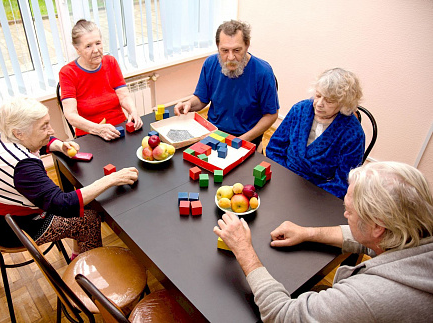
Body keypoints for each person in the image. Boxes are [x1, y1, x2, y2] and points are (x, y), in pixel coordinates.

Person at [214, 161, 433, 322]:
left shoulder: (370, 296)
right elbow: (373, 239)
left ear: (377, 226)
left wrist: (244, 249)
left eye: (349, 211)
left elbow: (282, 315)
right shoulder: (415, 231)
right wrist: (308, 232)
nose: (345, 216)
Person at [0, 97, 139, 258]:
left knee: (84, 206)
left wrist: (60, 145)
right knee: (89, 220)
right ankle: (91, 271)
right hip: (13, 230)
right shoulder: (23, 167)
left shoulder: (3, 138)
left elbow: (36, 143)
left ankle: (80, 252)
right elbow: (62, 204)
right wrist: (111, 179)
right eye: (44, 127)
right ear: (19, 133)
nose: (51, 130)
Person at [174, 20, 279, 147]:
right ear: (217, 46)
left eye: (236, 50)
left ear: (247, 45)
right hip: (213, 132)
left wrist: (242, 140)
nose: (230, 57)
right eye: (224, 51)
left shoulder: (263, 72)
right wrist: (189, 104)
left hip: (246, 136)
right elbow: (201, 99)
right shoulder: (210, 63)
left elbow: (271, 114)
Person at [266, 68, 365, 199]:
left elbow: (343, 183)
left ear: (344, 104)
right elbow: (274, 148)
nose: (318, 104)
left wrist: (310, 195)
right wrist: (285, 178)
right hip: (284, 178)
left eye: (329, 101)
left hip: (318, 194)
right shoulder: (300, 110)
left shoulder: (353, 134)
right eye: (318, 95)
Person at [59, 19, 143, 140]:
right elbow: (70, 115)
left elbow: (124, 96)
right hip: (90, 133)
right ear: (77, 49)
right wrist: (98, 129)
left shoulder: (110, 62)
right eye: (88, 46)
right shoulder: (67, 72)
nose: (96, 50)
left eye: (98, 43)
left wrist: (133, 111)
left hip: (119, 127)